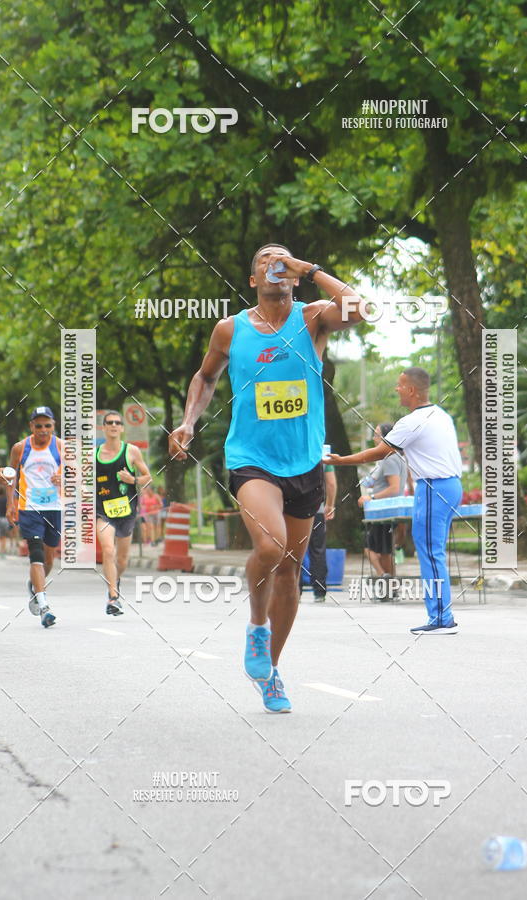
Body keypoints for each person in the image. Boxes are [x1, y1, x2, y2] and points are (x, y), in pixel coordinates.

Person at [169, 243, 365, 712]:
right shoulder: (230, 329)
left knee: (291, 573)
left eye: (283, 259)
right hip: (252, 459)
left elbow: (360, 309)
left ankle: (270, 671)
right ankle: (257, 626)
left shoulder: (313, 317)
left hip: (304, 463)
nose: (275, 263)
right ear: (254, 280)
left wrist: (312, 269)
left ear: (292, 277)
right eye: (264, 260)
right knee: (271, 548)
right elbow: (206, 377)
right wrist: (189, 421)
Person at [328, 367, 463, 634]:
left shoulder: (412, 421)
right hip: (451, 486)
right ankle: (441, 614)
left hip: (433, 488)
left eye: (400, 385)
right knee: (435, 552)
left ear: (412, 390)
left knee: (430, 553)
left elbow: (379, 453)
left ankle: (440, 618)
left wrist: (342, 460)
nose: (397, 389)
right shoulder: (442, 415)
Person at [6, 407, 62, 628]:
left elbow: (76, 473)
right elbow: (11, 476)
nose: (43, 430)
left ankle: (34, 585)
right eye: (38, 426)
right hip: (29, 508)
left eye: (47, 425)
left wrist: (64, 478)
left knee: (49, 560)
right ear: (31, 426)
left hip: (55, 508)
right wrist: (11, 504)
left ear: (53, 425)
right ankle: (44, 605)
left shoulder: (60, 447)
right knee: (36, 554)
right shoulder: (20, 448)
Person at [96, 411, 152, 615]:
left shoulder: (132, 452)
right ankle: (112, 597)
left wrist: (133, 481)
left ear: (122, 428)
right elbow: (82, 480)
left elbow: (148, 477)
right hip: (102, 511)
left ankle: (114, 582)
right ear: (103, 427)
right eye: (109, 422)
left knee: (121, 560)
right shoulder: (94, 455)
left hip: (126, 512)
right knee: (108, 551)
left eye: (117, 423)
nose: (113, 425)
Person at [359, 423, 407, 585]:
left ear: (386, 438)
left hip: (383, 510)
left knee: (371, 549)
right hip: (387, 509)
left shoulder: (389, 459)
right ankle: (390, 584)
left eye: (377, 434)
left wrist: (371, 498)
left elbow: (393, 488)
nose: (374, 438)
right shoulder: (396, 457)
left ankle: (384, 577)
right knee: (385, 549)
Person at [304, 462, 337, 602]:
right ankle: (319, 592)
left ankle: (292, 589)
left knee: (292, 550)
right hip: (317, 509)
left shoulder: (290, 447)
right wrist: (329, 505)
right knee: (317, 550)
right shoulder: (323, 453)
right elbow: (331, 483)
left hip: (292, 511)